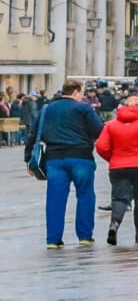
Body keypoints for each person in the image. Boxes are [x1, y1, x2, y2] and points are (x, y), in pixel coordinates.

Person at [29, 80, 105, 248]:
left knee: (55, 199)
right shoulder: (84, 108)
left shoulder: (47, 109)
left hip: (54, 159)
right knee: (85, 195)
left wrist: (29, 159)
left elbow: (34, 134)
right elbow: (98, 130)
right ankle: (85, 236)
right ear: (76, 92)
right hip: (81, 157)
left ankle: (53, 240)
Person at [95, 93, 138, 246]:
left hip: (118, 165)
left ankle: (114, 225)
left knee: (119, 197)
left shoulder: (111, 125)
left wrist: (112, 158)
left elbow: (101, 146)